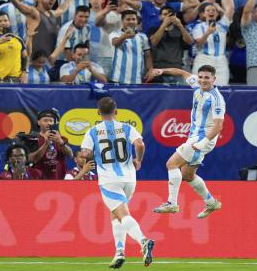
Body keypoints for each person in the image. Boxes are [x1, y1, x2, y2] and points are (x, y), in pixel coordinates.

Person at [80, 97, 155, 269]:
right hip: (129, 179)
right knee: (115, 214)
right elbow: (140, 144)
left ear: (98, 113)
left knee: (122, 214)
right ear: (116, 112)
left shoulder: (93, 131)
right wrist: (138, 160)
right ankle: (119, 252)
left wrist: (91, 154)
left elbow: (84, 153)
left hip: (109, 180)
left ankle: (143, 240)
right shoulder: (127, 127)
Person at [150, 65, 224, 219]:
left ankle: (171, 203)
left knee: (171, 164)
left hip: (203, 138)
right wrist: (162, 71)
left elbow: (218, 126)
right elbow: (182, 72)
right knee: (188, 175)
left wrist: (202, 144)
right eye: (201, 77)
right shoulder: (197, 85)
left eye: (207, 78)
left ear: (214, 79)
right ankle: (211, 202)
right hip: (195, 137)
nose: (203, 80)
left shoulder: (216, 99)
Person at [191, 0, 234, 85]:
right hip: (203, 59)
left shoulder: (222, 25)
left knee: (221, 89)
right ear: (203, 14)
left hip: (221, 61)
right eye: (208, 10)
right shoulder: (199, 27)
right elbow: (199, 44)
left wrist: (218, 7)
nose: (211, 12)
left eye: (213, 10)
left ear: (217, 13)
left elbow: (230, 9)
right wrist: (207, 33)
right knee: (201, 89)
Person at [148, 6, 193, 84]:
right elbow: (154, 42)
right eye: (165, 14)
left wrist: (180, 25)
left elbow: (190, 42)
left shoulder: (180, 29)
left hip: (177, 71)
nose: (167, 17)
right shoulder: (153, 29)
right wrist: (164, 25)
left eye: (170, 15)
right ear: (160, 17)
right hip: (158, 71)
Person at [0, 11, 29, 83]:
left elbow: (25, 56)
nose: (3, 23)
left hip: (16, 79)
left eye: (5, 20)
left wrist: (25, 72)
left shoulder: (18, 39)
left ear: (9, 22)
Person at [110, 10, 153, 84]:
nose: (131, 22)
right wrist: (124, 36)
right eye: (128, 19)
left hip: (137, 79)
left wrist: (150, 70)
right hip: (118, 78)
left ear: (137, 21)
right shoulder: (115, 34)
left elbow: (148, 56)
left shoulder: (143, 37)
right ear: (122, 21)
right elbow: (115, 43)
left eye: (134, 19)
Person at [29, 109, 73, 179]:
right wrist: (46, 144)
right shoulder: (32, 139)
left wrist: (61, 142)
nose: (49, 123)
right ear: (38, 122)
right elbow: (32, 160)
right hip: (38, 180)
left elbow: (70, 155)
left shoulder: (61, 138)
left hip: (59, 179)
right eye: (45, 120)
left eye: (51, 121)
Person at [123, 0, 199, 34]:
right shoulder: (145, 5)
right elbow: (126, 0)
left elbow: (196, 3)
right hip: (149, 47)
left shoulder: (172, 6)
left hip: (167, 47)